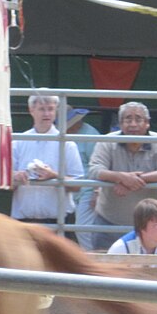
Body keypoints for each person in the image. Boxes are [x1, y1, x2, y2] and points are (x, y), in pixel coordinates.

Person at [88, 102, 157, 252]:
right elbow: (94, 169)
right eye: (128, 119)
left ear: (147, 123)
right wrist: (120, 177)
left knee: (147, 272)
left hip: (150, 225)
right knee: (104, 270)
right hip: (108, 222)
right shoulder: (107, 141)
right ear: (121, 124)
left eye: (138, 119)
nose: (133, 124)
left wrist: (133, 180)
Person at [10, 94, 83, 224]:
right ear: (31, 110)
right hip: (24, 219)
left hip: (59, 220)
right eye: (42, 109)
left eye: (50, 109)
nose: (47, 113)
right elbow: (6, 183)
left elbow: (78, 185)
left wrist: (54, 175)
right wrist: (15, 177)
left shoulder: (67, 144)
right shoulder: (18, 142)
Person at [61, 106, 102, 250]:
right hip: (67, 187)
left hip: (88, 188)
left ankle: (93, 258)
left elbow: (99, 164)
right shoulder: (60, 135)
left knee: (83, 228)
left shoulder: (90, 134)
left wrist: (98, 191)